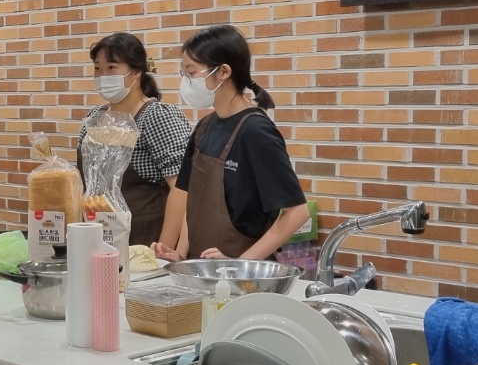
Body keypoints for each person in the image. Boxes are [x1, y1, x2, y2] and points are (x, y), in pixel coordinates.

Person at [155, 25, 309, 263]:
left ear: (223, 72)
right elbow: (194, 202)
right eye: (183, 74)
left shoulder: (256, 131)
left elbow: (297, 212)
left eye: (192, 73)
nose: (186, 82)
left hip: (244, 278)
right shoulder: (204, 128)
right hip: (201, 270)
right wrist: (182, 254)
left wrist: (239, 266)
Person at [78, 33, 192, 248]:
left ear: (137, 71)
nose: (103, 76)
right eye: (97, 68)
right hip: (97, 240)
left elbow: (181, 187)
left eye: (112, 67)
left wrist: (164, 249)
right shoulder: (93, 119)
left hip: (146, 242)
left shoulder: (158, 116)